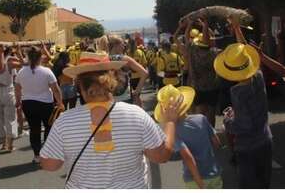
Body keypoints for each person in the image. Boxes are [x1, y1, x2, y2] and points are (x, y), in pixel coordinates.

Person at [39, 51, 184, 188]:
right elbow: (161, 156)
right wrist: (170, 121)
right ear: (112, 81)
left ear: (80, 85)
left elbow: (49, 164)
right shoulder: (136, 115)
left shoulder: (65, 121)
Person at [217, 29, 273, 188]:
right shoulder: (258, 76)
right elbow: (244, 51)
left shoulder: (237, 92)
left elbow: (244, 125)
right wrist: (236, 28)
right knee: (264, 184)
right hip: (265, 139)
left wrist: (228, 121)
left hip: (248, 146)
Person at [156, 85, 221, 188]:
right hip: (213, 173)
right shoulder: (201, 119)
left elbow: (188, 157)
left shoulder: (174, 131)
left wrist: (200, 183)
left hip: (194, 179)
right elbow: (216, 143)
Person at [15, 46, 62, 164]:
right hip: (45, 104)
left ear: (28, 57)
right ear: (40, 57)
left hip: (28, 104)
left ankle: (37, 155)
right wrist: (60, 102)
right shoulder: (47, 71)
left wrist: (18, 101)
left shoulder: (21, 72)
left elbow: (17, 89)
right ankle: (47, 152)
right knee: (49, 127)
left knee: (34, 129)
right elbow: (56, 89)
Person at [0, 46, 21, 153]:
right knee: (10, 118)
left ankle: (3, 144)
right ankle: (10, 145)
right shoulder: (10, 63)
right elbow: (24, 63)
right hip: (8, 91)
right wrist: (17, 52)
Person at [107, 35, 148, 107]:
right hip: (126, 98)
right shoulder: (125, 59)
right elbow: (144, 73)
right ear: (116, 45)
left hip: (109, 100)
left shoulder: (103, 59)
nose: (124, 47)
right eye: (122, 44)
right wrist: (136, 92)